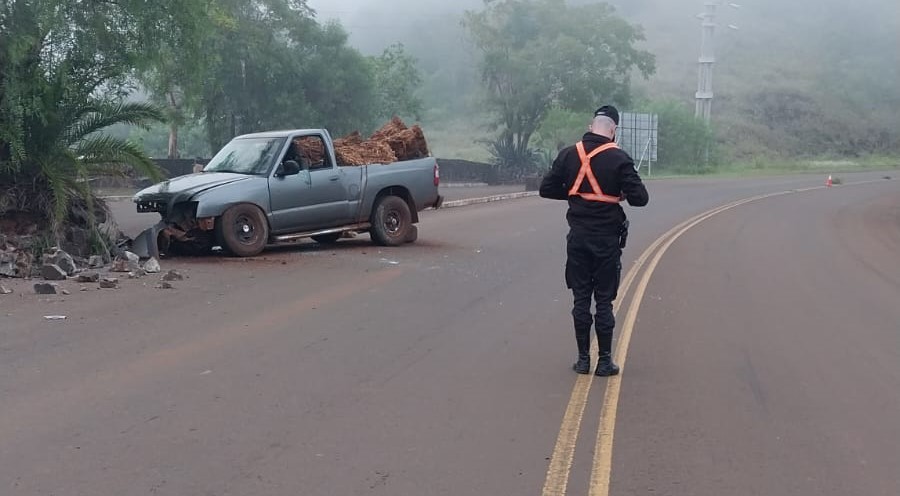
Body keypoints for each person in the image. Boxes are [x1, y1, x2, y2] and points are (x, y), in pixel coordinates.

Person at [539, 105, 649, 376]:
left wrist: (576, 193)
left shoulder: (568, 154)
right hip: (606, 242)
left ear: (591, 127)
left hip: (578, 239)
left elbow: (546, 189)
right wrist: (617, 194)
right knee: (603, 301)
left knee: (580, 300)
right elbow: (641, 199)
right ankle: (605, 362)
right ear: (613, 131)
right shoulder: (619, 158)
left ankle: (582, 360)